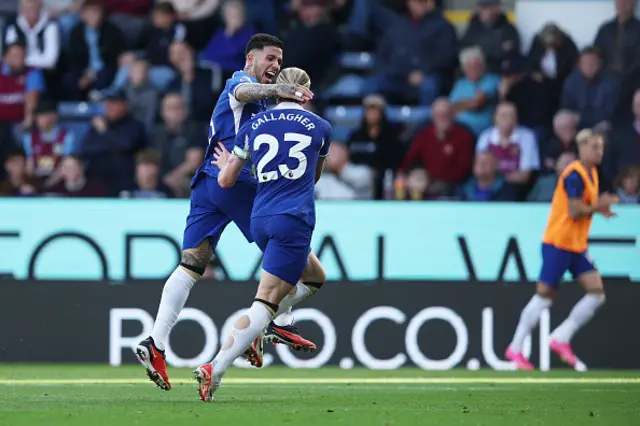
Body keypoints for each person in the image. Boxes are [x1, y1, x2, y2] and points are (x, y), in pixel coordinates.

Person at [134, 34, 314, 392]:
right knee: (301, 264)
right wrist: (283, 90)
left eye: (280, 60)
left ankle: (155, 342)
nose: (276, 66)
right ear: (251, 59)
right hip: (234, 183)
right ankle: (273, 322)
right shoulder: (240, 81)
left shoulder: (265, 110)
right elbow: (244, 94)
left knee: (192, 262)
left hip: (208, 184)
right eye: (270, 58)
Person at [194, 67, 331, 402]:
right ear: (305, 91)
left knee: (315, 275)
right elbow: (311, 178)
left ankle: (265, 324)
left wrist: (232, 164)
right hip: (293, 218)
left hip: (259, 218)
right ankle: (217, 366)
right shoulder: (322, 128)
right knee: (265, 301)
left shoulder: (254, 125)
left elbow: (226, 181)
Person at [505, 129, 620, 370]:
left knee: (596, 293)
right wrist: (598, 206)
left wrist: (599, 208)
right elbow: (574, 211)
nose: (600, 151)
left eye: (601, 146)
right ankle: (515, 349)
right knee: (544, 296)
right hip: (558, 243)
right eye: (595, 147)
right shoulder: (574, 175)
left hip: (576, 245)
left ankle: (560, 337)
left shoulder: (592, 173)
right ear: (582, 148)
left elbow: (585, 208)